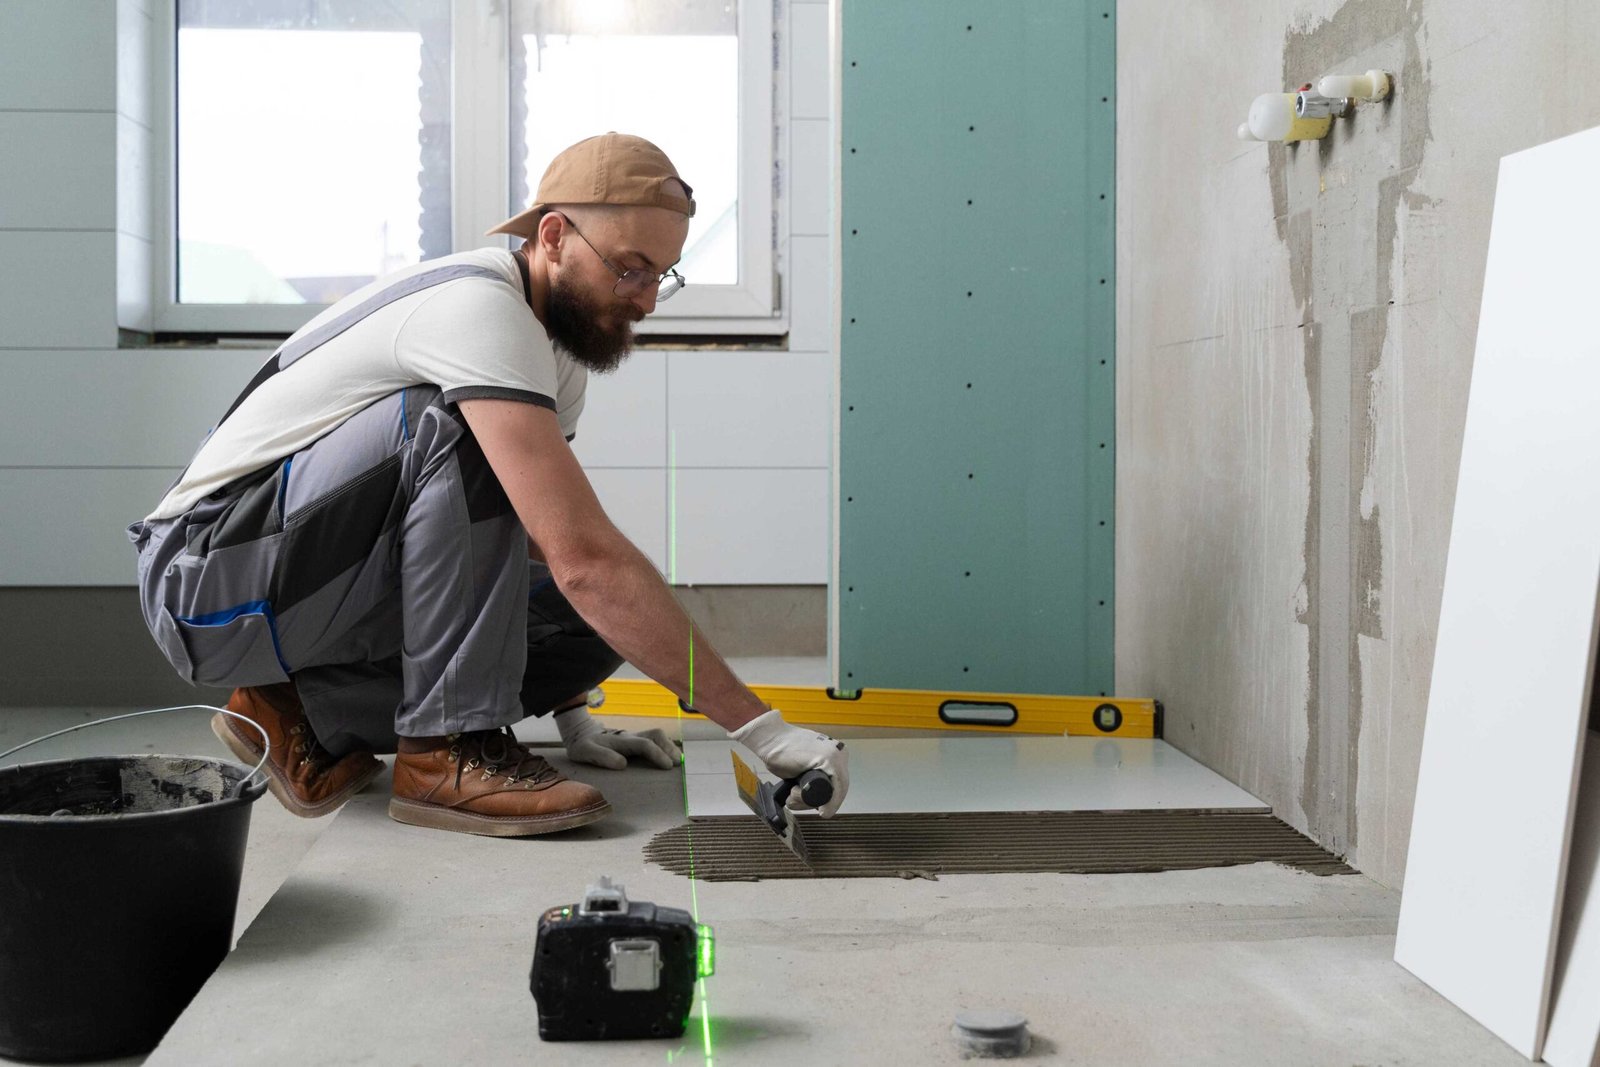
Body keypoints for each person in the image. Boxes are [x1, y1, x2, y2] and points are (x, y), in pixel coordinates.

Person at [127, 132, 849, 837]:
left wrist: (575, 717)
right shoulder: (479, 308)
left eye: (662, 275)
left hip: (303, 582)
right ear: (556, 235)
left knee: (588, 621)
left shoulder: (554, 355)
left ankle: (301, 710)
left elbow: (526, 541)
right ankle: (447, 750)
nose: (647, 301)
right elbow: (583, 555)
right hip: (203, 578)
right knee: (469, 442)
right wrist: (762, 729)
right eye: (630, 269)